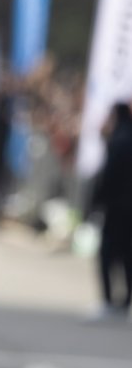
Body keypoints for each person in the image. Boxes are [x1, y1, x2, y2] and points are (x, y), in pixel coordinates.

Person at [89, 101, 132, 322]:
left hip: (117, 209)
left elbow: (108, 178)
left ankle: (108, 301)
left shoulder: (118, 141)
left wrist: (95, 204)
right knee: (127, 257)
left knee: (107, 255)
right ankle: (125, 303)